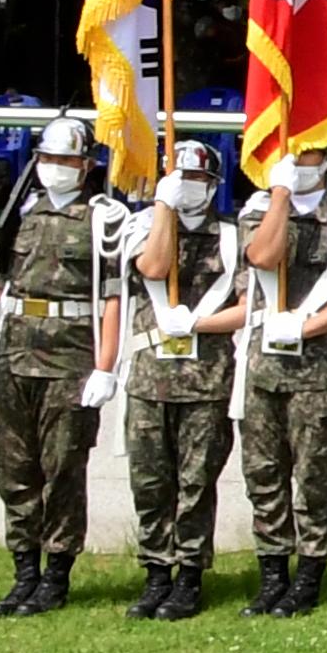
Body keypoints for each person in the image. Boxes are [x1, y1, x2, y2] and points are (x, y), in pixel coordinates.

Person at [0, 112, 125, 616]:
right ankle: (24, 570)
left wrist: (105, 366)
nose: (54, 168)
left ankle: (56, 574)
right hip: (15, 353)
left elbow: (113, 297)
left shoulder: (102, 219)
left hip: (70, 358)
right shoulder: (21, 214)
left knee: (63, 468)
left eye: (65, 160)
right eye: (47, 159)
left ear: (86, 164)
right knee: (12, 465)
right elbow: (2, 279)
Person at [216, 140, 327, 620]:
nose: (297, 162)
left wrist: (307, 327)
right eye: (289, 152)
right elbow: (263, 258)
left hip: (318, 369)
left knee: (312, 475)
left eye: (307, 154)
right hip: (262, 367)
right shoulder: (259, 210)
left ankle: (309, 577)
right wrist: (280, 197)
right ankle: (272, 576)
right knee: (263, 475)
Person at [117, 138, 238, 621]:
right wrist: (162, 205)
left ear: (212, 187)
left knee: (195, 483)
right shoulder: (145, 227)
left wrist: (198, 323)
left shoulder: (230, 238)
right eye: (182, 179)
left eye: (198, 180)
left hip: (206, 380)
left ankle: (188, 577)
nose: (191, 188)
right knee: (150, 483)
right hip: (150, 380)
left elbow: (250, 307)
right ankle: (155, 575)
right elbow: (154, 266)